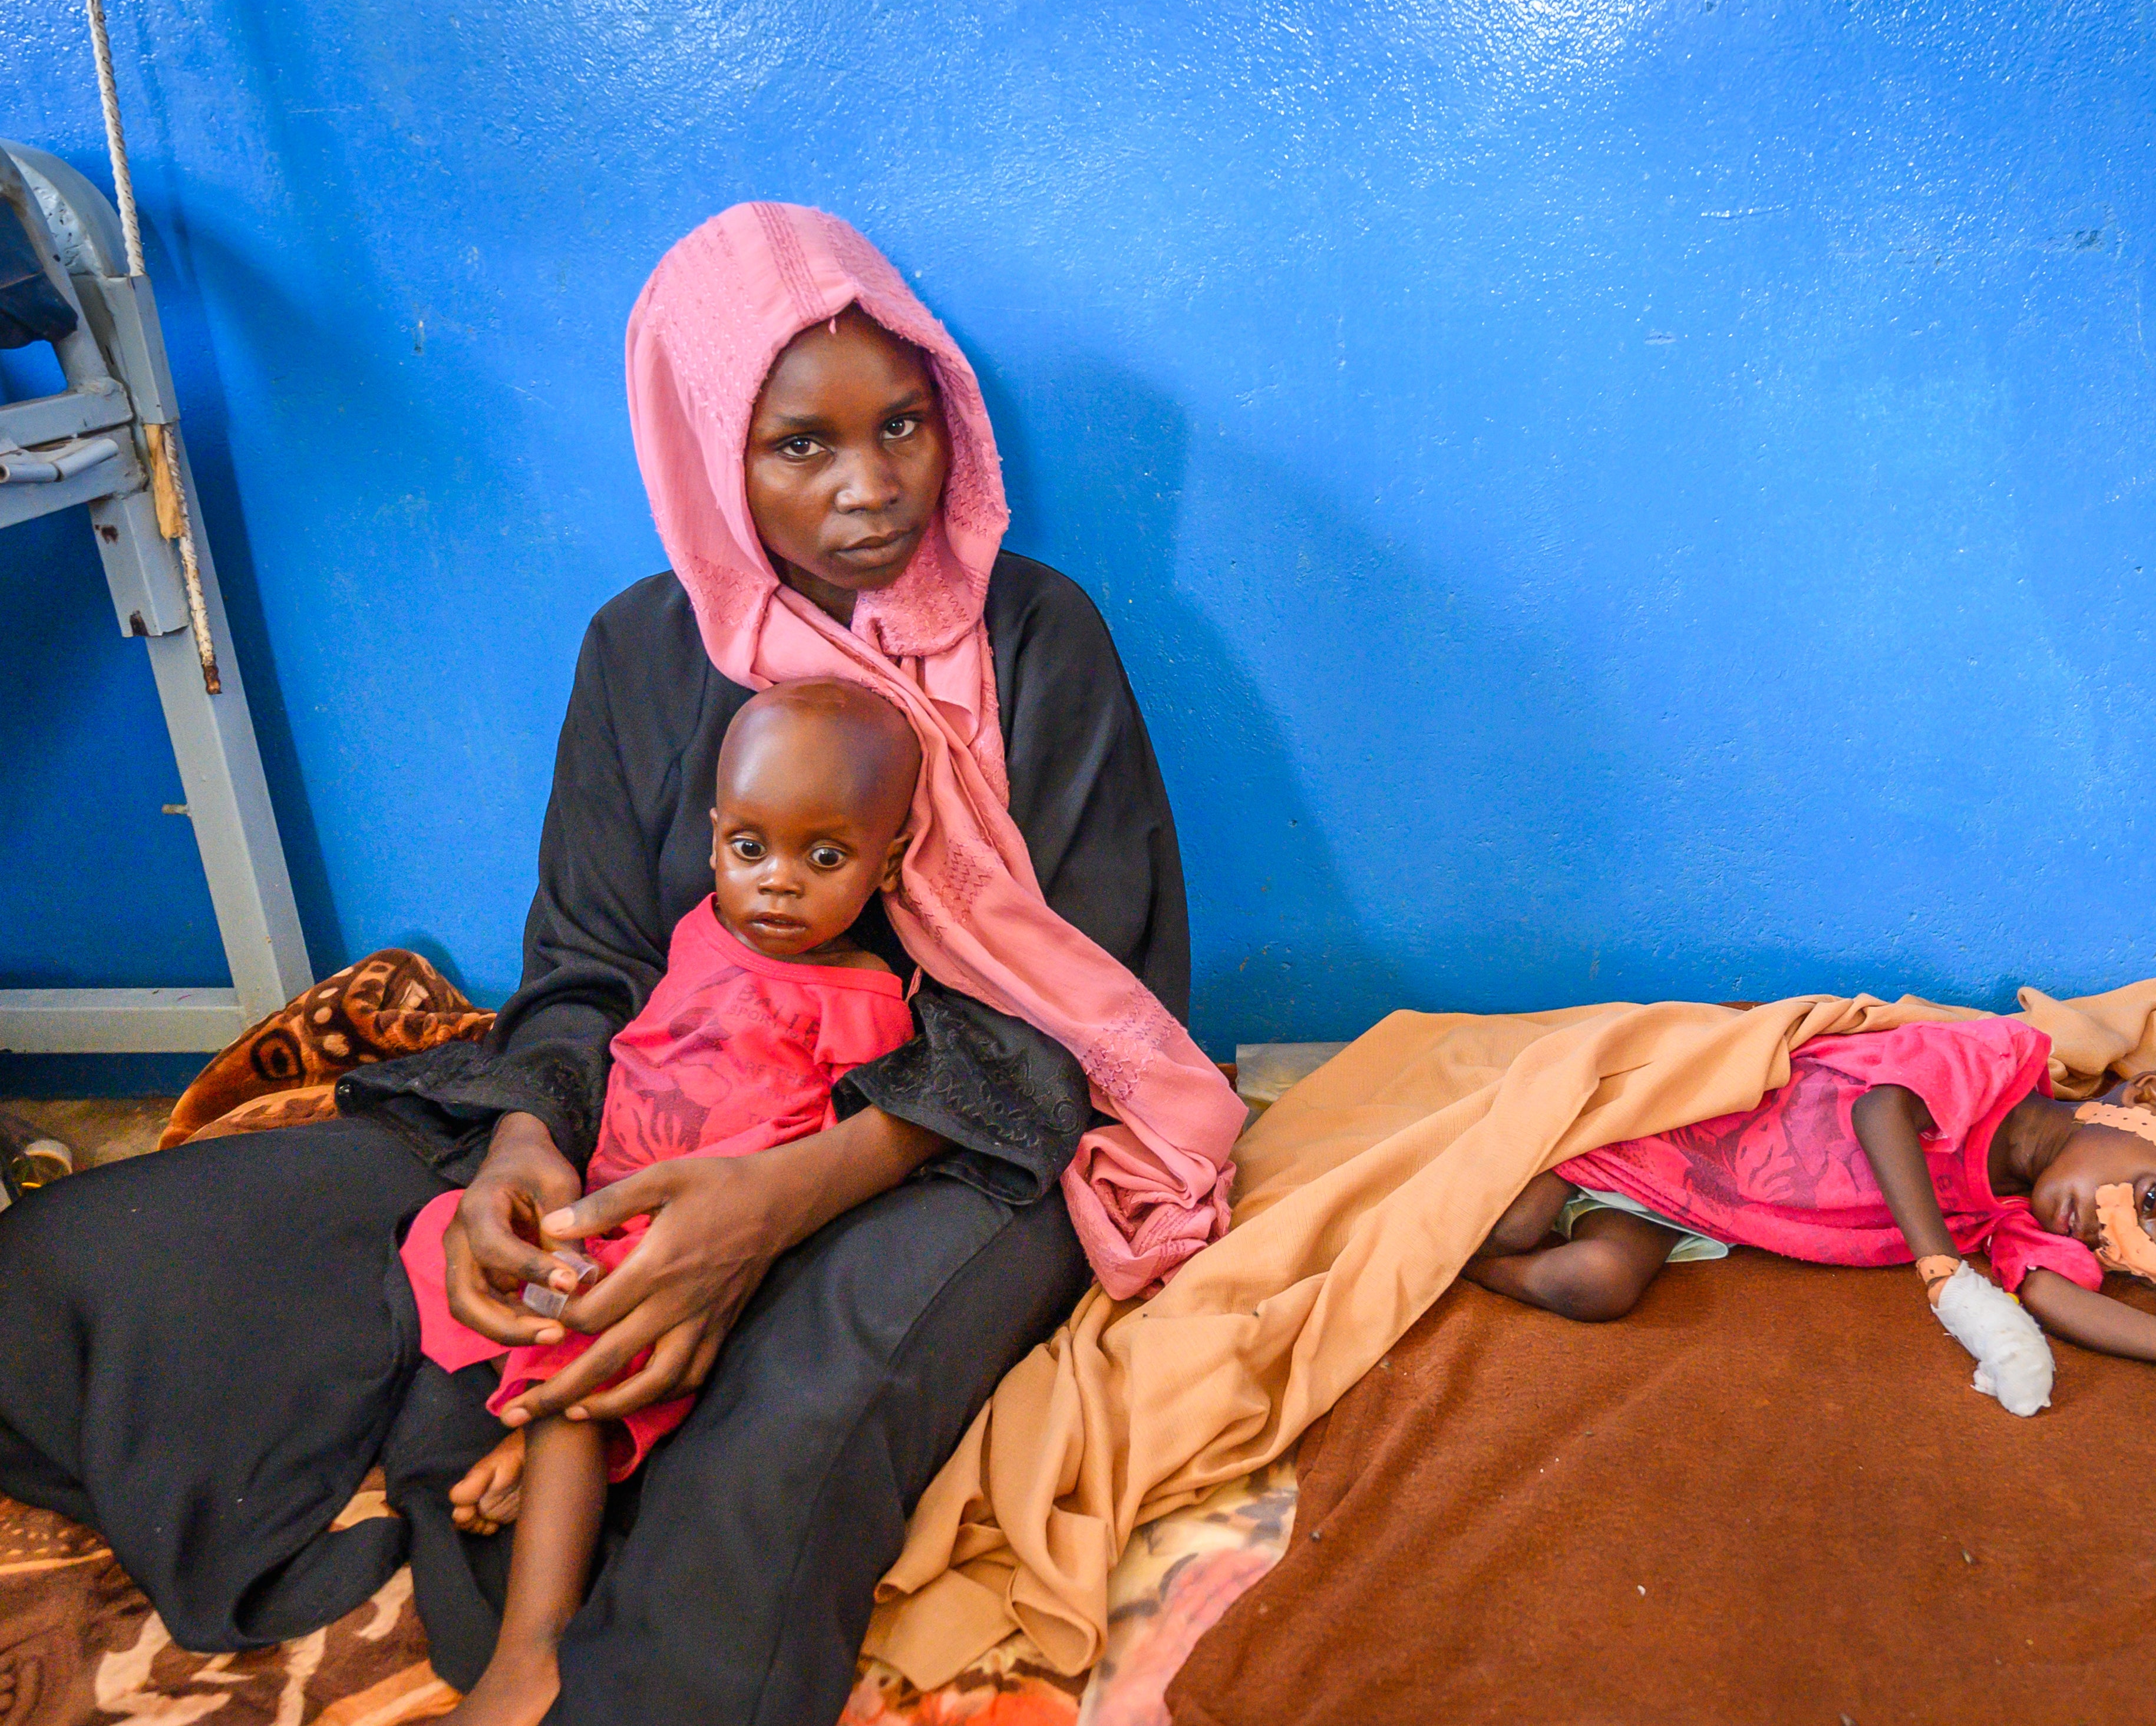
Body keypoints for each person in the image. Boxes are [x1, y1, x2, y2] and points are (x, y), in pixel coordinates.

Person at [0, 203, 1242, 1726]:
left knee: (788, 1424)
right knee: (105, 1264)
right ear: (707, 444)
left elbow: (1096, 1000)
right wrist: (525, 1138)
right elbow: (586, 953)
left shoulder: (1036, 638)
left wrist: (784, 1198)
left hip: (942, 1137)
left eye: (904, 424)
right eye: (801, 444)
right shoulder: (643, 653)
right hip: (665, 1097)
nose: (871, 487)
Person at [410, 679, 922, 1725]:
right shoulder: (698, 930)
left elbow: (842, 1146)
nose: (778, 885)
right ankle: (543, 1436)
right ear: (712, 841)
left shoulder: (866, 999)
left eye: (825, 859)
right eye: (752, 850)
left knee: (575, 1349)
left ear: (890, 864)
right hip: (602, 1193)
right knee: (450, 1252)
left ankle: (531, 1646)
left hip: (694, 1237)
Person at [1464, 1017, 2156, 1443]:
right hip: (1663, 1133)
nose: (2112, 1238)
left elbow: (2053, 1300)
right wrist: (1938, 1266)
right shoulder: (1991, 1064)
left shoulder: (2006, 1223)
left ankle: (1468, 1268)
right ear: (2146, 1100)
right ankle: (1495, 1207)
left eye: (2140, 1254)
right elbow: (1880, 1114)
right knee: (1512, 1218)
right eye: (2147, 1202)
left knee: (1592, 1286)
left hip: (1685, 1211)